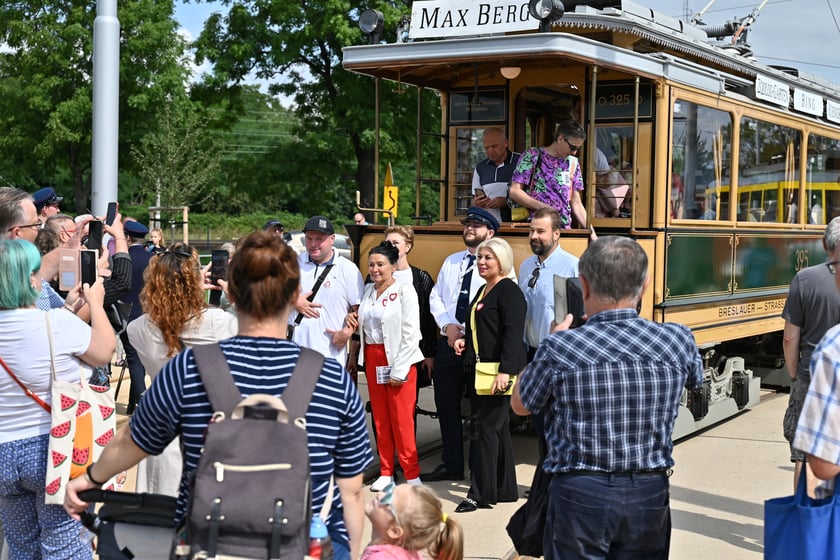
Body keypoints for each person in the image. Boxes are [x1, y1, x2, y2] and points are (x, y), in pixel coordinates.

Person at [64, 231, 373, 560]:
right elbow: (351, 491)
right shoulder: (332, 379)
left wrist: (91, 478)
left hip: (210, 542)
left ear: (233, 295)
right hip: (299, 543)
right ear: (296, 294)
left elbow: (131, 442)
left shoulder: (185, 370)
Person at [512, 236, 704, 559]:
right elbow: (696, 382)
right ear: (643, 288)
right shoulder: (678, 339)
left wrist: (546, 346)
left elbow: (520, 404)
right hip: (649, 492)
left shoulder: (561, 347)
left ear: (583, 287)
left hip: (579, 491)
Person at [0, 239, 115, 560]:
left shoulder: (59, 320)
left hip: (3, 455)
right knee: (64, 544)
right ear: (30, 279)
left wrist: (68, 306)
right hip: (55, 448)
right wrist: (96, 304)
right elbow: (105, 351)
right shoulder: (57, 325)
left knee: (21, 545)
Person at [127, 243, 238, 496]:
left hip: (158, 428)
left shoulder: (137, 329)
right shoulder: (219, 323)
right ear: (194, 280)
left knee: (159, 517)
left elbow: (162, 322)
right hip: (205, 428)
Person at [422, 207, 500, 482]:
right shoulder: (452, 262)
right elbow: (436, 298)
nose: (469, 229)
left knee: (481, 409)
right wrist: (448, 326)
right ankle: (452, 463)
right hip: (448, 341)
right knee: (446, 404)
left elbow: (495, 306)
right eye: (467, 224)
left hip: (479, 346)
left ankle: (481, 469)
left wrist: (467, 332)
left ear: (490, 232)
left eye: (476, 226)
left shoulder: (497, 265)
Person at [452, 237, 525, 512]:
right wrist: (465, 342)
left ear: (502, 261)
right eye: (480, 258)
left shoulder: (509, 292)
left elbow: (512, 335)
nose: (481, 262)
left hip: (498, 373)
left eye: (488, 258)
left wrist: (506, 371)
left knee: (485, 432)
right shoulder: (485, 289)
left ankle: (479, 494)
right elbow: (479, 327)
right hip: (482, 370)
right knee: (497, 430)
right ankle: (504, 488)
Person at [347, 241, 425, 491]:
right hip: (373, 357)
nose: (375, 269)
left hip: (399, 357)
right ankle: (385, 471)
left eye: (380, 264)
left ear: (393, 266)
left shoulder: (405, 291)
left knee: (402, 420)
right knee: (380, 418)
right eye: (371, 265)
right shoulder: (369, 291)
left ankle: (411, 473)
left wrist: (399, 370)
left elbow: (411, 333)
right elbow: (365, 324)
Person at [782, 217, 840, 495]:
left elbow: (790, 337)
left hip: (812, 378)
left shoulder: (804, 279)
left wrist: (795, 376)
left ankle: (805, 522)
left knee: (805, 456)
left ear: (824, 244)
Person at [292, 215, 363, 367]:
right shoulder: (293, 264)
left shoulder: (348, 269)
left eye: (319, 239)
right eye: (309, 238)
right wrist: (293, 301)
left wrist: (347, 333)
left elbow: (360, 310)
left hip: (330, 357)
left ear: (332, 239)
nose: (313, 244)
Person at [384, 225, 437, 389]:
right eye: (387, 243)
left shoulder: (421, 278)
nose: (390, 247)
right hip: (383, 350)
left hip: (411, 352)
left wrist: (429, 354)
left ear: (408, 246)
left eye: (395, 243)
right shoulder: (374, 278)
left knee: (406, 406)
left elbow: (428, 320)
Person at [508, 120, 588, 229]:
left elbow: (576, 203)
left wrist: (592, 234)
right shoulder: (533, 155)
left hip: (563, 228)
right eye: (573, 147)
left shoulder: (573, 163)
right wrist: (543, 207)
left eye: (578, 149)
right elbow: (514, 191)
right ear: (560, 139)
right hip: (536, 227)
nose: (575, 152)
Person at [362, 483, 463, 560]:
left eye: (387, 499)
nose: (380, 494)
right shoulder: (410, 553)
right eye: (389, 489)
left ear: (394, 531)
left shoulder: (380, 558)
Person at [121, 219, 153, 414]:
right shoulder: (153, 260)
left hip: (126, 314)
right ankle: (135, 402)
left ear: (127, 237)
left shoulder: (122, 259)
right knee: (142, 359)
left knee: (133, 359)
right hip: (148, 314)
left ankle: (140, 401)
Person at [472, 127, 520, 223]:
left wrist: (507, 202)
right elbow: (474, 200)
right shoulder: (480, 167)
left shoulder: (521, 162)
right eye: (487, 147)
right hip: (489, 225)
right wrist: (477, 202)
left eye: (494, 146)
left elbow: (534, 195)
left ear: (505, 143)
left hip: (517, 225)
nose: (490, 151)